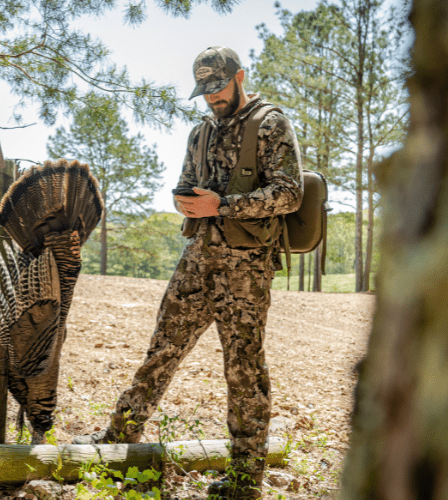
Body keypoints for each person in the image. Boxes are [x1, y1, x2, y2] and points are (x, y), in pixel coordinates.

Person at [72, 46, 303, 500]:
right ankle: (119, 440)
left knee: (244, 368)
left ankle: (245, 478)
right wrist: (186, 202)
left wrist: (225, 205)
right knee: (161, 350)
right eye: (205, 90)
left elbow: (290, 193)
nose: (213, 97)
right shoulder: (200, 132)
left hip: (245, 267)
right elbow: (187, 184)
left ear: (239, 77)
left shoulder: (270, 123)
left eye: (219, 87)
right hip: (198, 258)